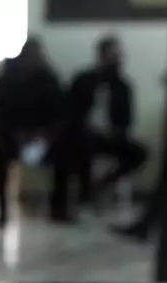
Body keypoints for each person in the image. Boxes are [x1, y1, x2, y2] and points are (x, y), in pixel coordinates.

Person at [50, 36, 147, 222]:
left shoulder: (123, 86)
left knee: (139, 154)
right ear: (101, 56)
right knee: (73, 147)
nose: (118, 60)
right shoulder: (83, 80)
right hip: (81, 134)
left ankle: (100, 185)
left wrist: (117, 131)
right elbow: (69, 111)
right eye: (113, 55)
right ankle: (80, 199)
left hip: (111, 136)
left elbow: (127, 118)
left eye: (119, 56)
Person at [0, 38, 63, 226]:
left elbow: (60, 114)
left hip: (41, 139)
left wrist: (44, 135)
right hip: (15, 139)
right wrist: (15, 135)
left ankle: (58, 209)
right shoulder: (6, 81)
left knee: (66, 154)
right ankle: (1, 211)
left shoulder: (48, 80)